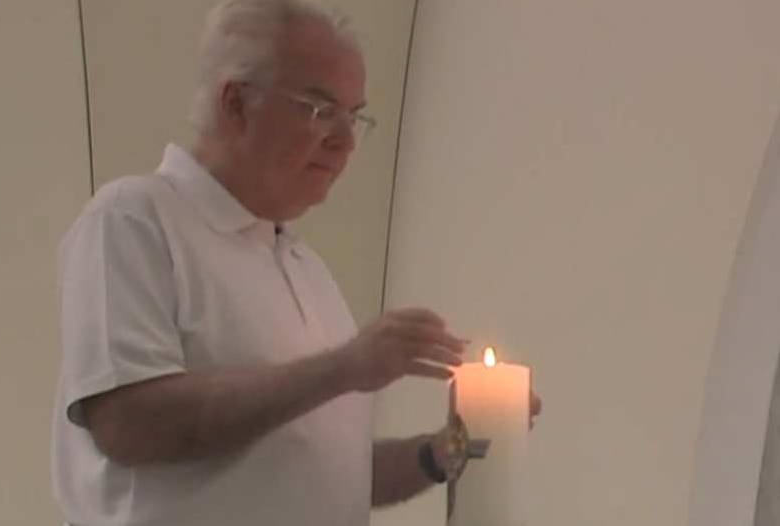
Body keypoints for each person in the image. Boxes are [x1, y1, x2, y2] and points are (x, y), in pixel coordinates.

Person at [52, 1, 540, 525]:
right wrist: (343, 368)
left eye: (354, 116)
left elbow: (326, 477)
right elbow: (129, 425)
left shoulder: (306, 268)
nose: (346, 141)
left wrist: (440, 451)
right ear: (236, 104)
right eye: (319, 109)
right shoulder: (135, 220)